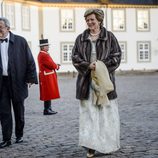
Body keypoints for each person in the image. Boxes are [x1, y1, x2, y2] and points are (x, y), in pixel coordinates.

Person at [72, 9, 122, 157]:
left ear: (99, 20)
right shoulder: (80, 38)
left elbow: (117, 56)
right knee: (89, 115)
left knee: (106, 115)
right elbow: (75, 57)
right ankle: (91, 146)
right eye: (87, 20)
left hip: (105, 82)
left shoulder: (110, 37)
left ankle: (108, 144)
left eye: (92, 19)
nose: (89, 22)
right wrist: (88, 65)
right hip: (86, 83)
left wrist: (100, 66)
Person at [0, 17, 38, 148]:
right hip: (2, 83)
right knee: (4, 111)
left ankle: (19, 135)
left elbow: (30, 61)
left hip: (17, 81)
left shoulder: (20, 41)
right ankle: (6, 138)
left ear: (8, 28)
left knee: (19, 110)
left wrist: (31, 78)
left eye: (0, 28)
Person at [37, 39, 60, 115]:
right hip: (47, 76)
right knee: (47, 93)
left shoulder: (43, 54)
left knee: (48, 93)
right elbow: (51, 64)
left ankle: (48, 108)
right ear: (42, 47)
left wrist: (55, 65)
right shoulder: (44, 55)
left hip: (46, 75)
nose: (48, 47)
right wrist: (56, 66)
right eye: (46, 46)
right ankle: (47, 109)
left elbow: (50, 63)